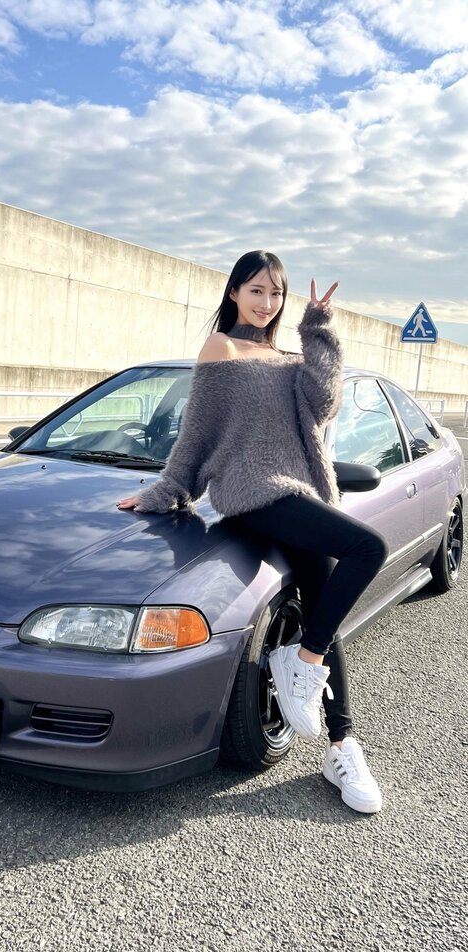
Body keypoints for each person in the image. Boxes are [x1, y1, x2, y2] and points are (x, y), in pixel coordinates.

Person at [116, 250, 388, 814]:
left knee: (324, 605)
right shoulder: (221, 349)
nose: (266, 303)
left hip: (299, 495)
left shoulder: (290, 357)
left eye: (276, 293)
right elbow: (196, 435)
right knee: (370, 547)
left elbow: (325, 405)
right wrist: (166, 491)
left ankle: (342, 745)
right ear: (235, 292)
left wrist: (319, 328)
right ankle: (303, 662)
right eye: (256, 290)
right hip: (250, 494)